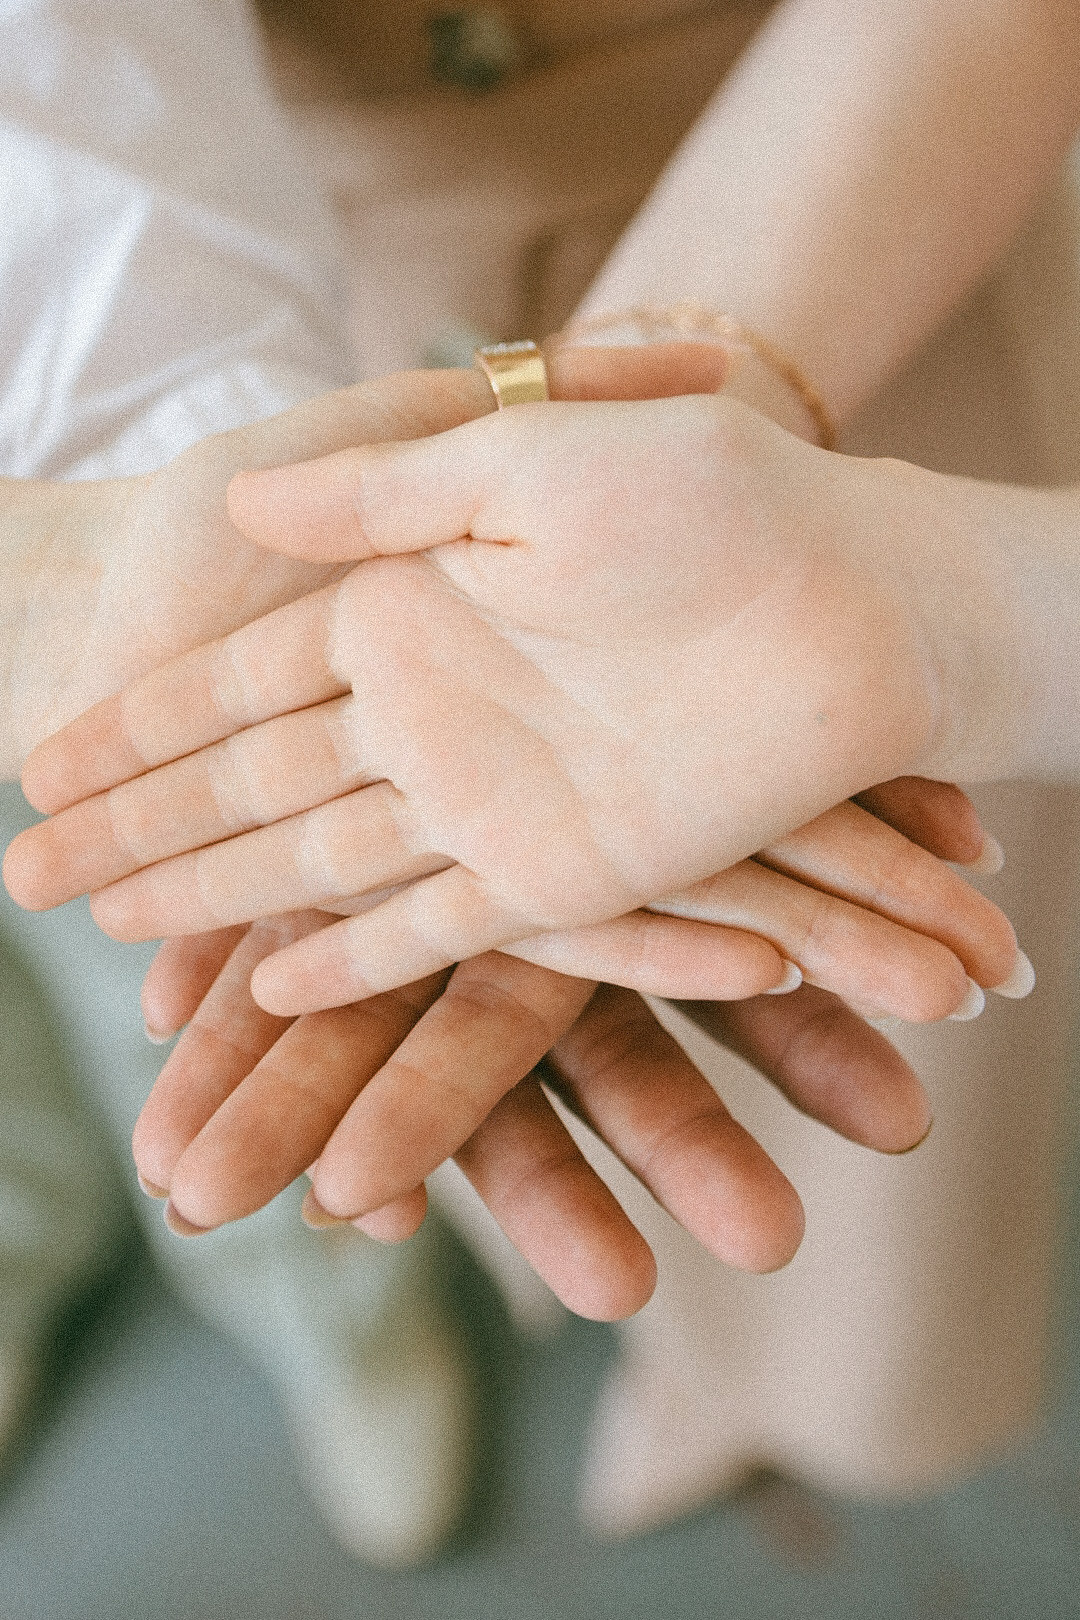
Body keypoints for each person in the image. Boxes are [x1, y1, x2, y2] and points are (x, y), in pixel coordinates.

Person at [11, 0, 1080, 1539]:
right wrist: (198, 498)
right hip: (315, 287)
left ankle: (789, 1403)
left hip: (875, 209)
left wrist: (908, 575)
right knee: (391, 978)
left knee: (869, 1063)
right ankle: (592, 1356)